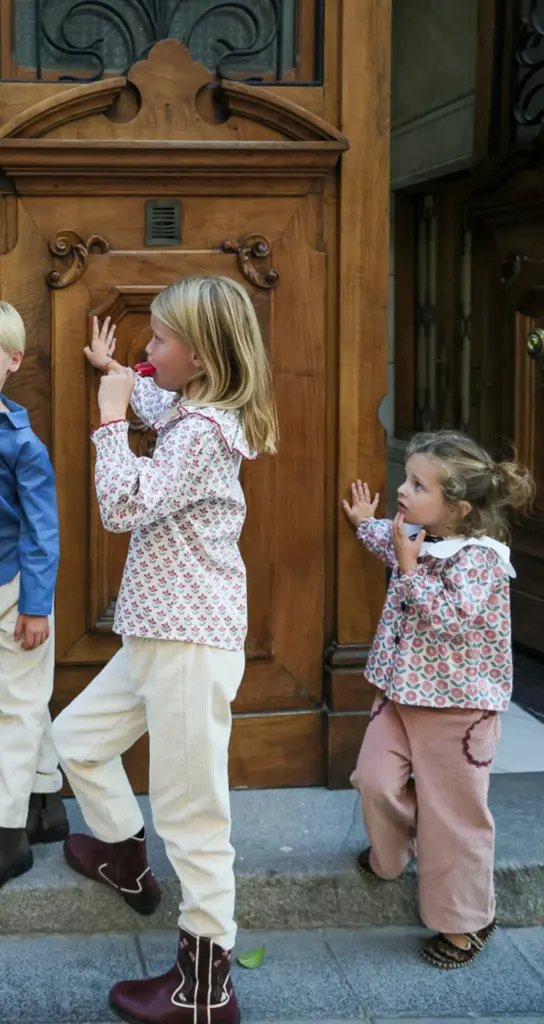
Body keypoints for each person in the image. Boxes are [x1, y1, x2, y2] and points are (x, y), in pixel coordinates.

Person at [53, 277, 278, 1024]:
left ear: (202, 354)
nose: (145, 352)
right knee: (75, 741)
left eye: (156, 341)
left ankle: (205, 990)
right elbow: (157, 399)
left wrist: (109, 420)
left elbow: (122, 506)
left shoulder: (206, 434)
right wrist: (116, 373)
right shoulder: (193, 411)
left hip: (189, 644)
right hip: (156, 632)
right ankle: (124, 857)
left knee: (193, 817)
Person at [342, 431, 533, 969]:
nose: (403, 490)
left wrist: (406, 569)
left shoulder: (482, 560)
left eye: (417, 485)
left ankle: (466, 921)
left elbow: (449, 620)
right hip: (401, 699)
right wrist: (364, 524)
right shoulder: (418, 537)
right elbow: (391, 539)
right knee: (373, 779)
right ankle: (391, 856)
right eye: (406, 478)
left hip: (458, 712)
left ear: (458, 507)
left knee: (454, 817)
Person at [0, 301, 65, 884]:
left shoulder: (23, 446)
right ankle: (47, 803)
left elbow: (43, 529)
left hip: (15, 592)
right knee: (20, 697)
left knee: (15, 708)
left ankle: (9, 837)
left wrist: (37, 606)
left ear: (12, 360)